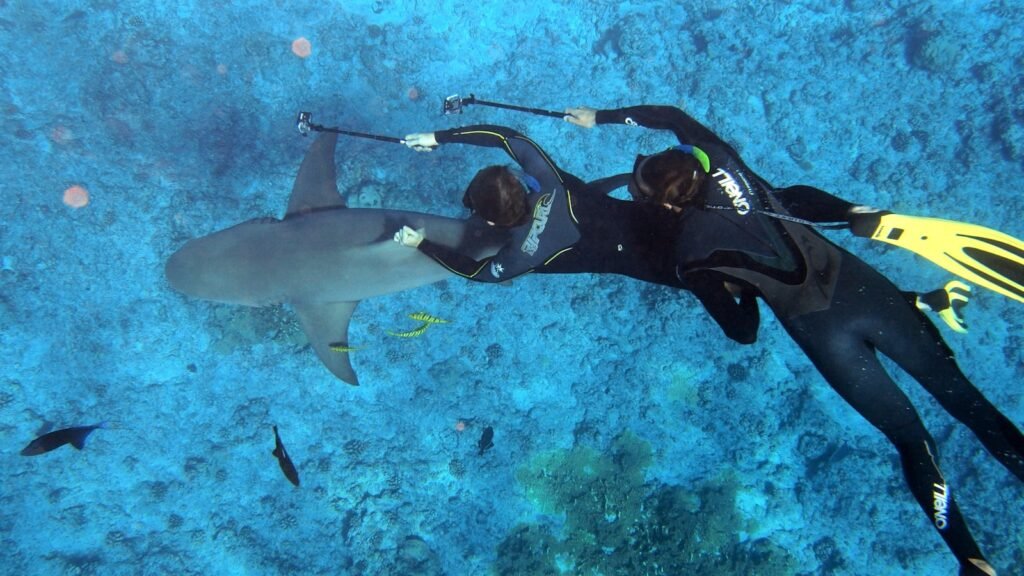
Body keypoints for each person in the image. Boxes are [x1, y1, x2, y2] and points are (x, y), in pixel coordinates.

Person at [563, 104, 1022, 576]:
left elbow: (743, 333)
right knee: (969, 404)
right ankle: (859, 220)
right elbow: (669, 115)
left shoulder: (691, 258)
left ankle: (971, 558)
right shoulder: (720, 158)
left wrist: (745, 290)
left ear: (665, 206)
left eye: (639, 192)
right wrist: (599, 117)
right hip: (864, 292)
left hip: (825, 336)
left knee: (911, 438)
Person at [395, 125, 966, 343]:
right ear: (520, 181)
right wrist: (439, 137)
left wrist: (420, 244)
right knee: (778, 249)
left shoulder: (525, 252)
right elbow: (507, 137)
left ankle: (914, 305)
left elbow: (479, 273)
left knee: (754, 303)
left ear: (497, 222)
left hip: (675, 266)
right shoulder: (550, 178)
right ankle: (914, 299)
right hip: (680, 223)